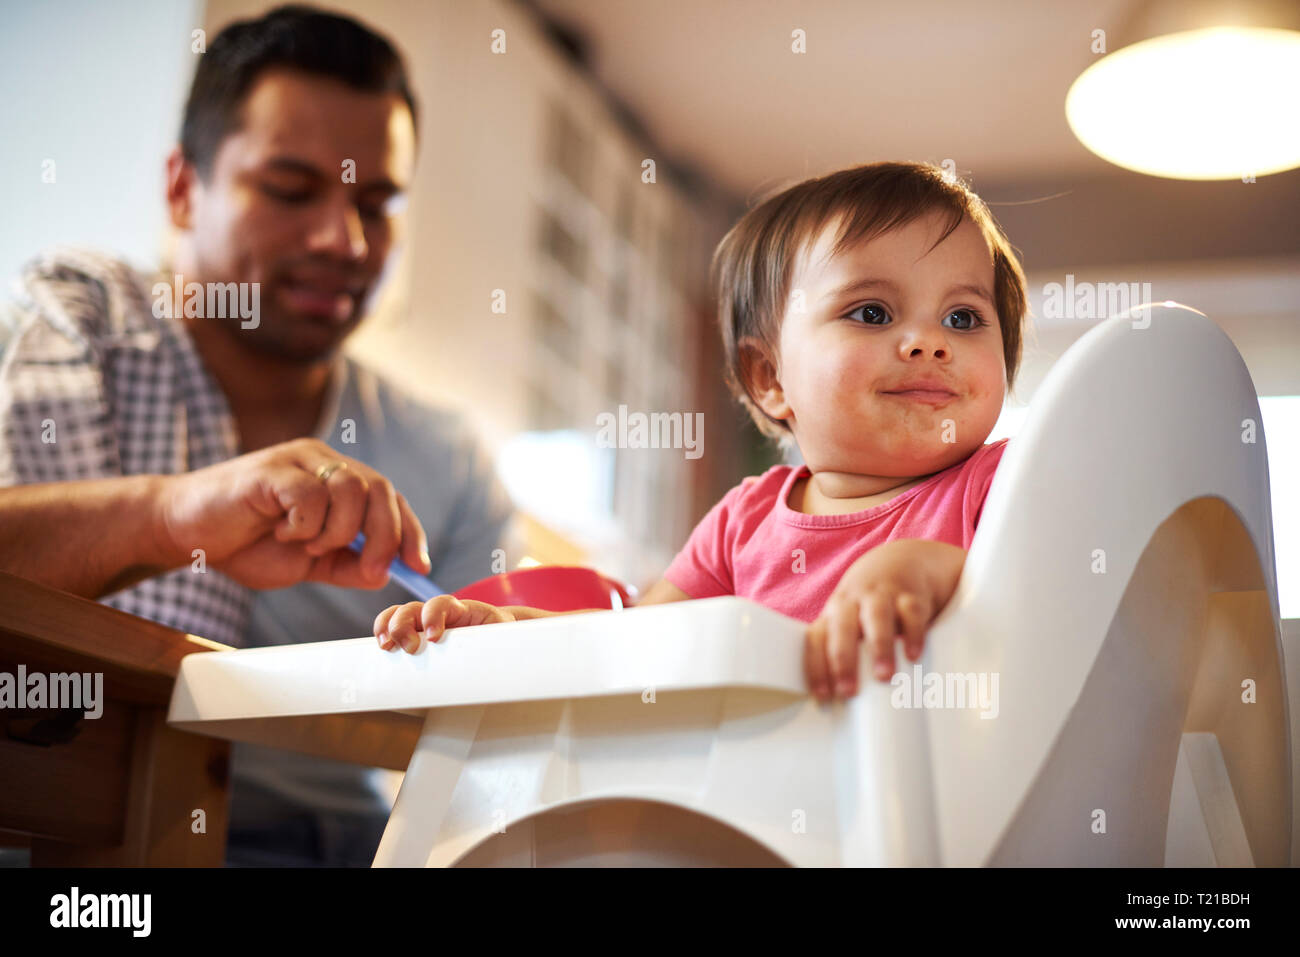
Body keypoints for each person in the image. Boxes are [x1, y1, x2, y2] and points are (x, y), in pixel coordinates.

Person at [0, 5, 514, 865]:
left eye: (376, 203)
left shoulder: (447, 460)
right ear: (181, 187)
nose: (342, 240)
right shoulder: (72, 337)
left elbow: (504, 726)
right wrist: (172, 518)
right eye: (289, 189)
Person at [374, 161, 1027, 703]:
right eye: (873, 311)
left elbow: (1053, 601)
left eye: (965, 318)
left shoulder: (1003, 483)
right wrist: (507, 629)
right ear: (769, 375)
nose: (927, 342)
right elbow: (635, 644)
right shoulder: (741, 523)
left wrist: (924, 565)